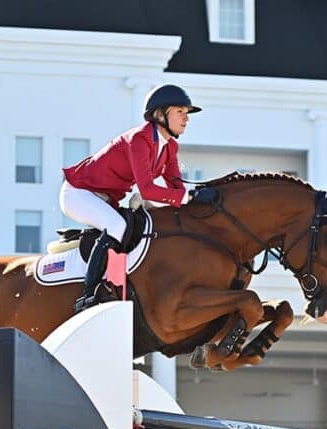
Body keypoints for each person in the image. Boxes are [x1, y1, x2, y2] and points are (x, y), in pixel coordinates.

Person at [61, 84, 217, 313]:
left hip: (105, 199)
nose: (186, 118)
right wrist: (188, 197)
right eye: (180, 112)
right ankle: (88, 295)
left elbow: (176, 186)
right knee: (117, 226)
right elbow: (148, 191)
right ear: (160, 114)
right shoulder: (139, 139)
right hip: (78, 193)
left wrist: (198, 199)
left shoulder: (170, 147)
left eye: (187, 113)